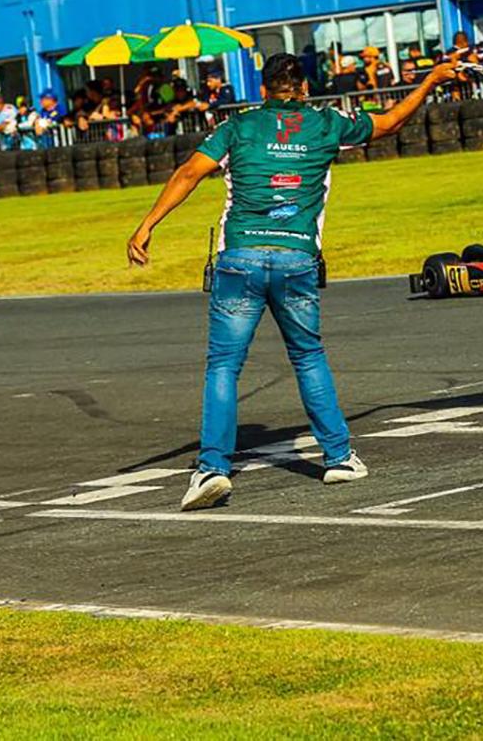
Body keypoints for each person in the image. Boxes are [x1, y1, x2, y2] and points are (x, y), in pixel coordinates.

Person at [127, 52, 460, 510]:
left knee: (224, 365)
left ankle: (211, 468)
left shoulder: (239, 125)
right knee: (307, 356)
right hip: (296, 258)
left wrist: (147, 225)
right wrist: (432, 80)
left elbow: (189, 173)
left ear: (263, 90)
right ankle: (339, 457)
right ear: (303, 89)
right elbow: (391, 123)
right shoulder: (326, 123)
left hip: (239, 257)